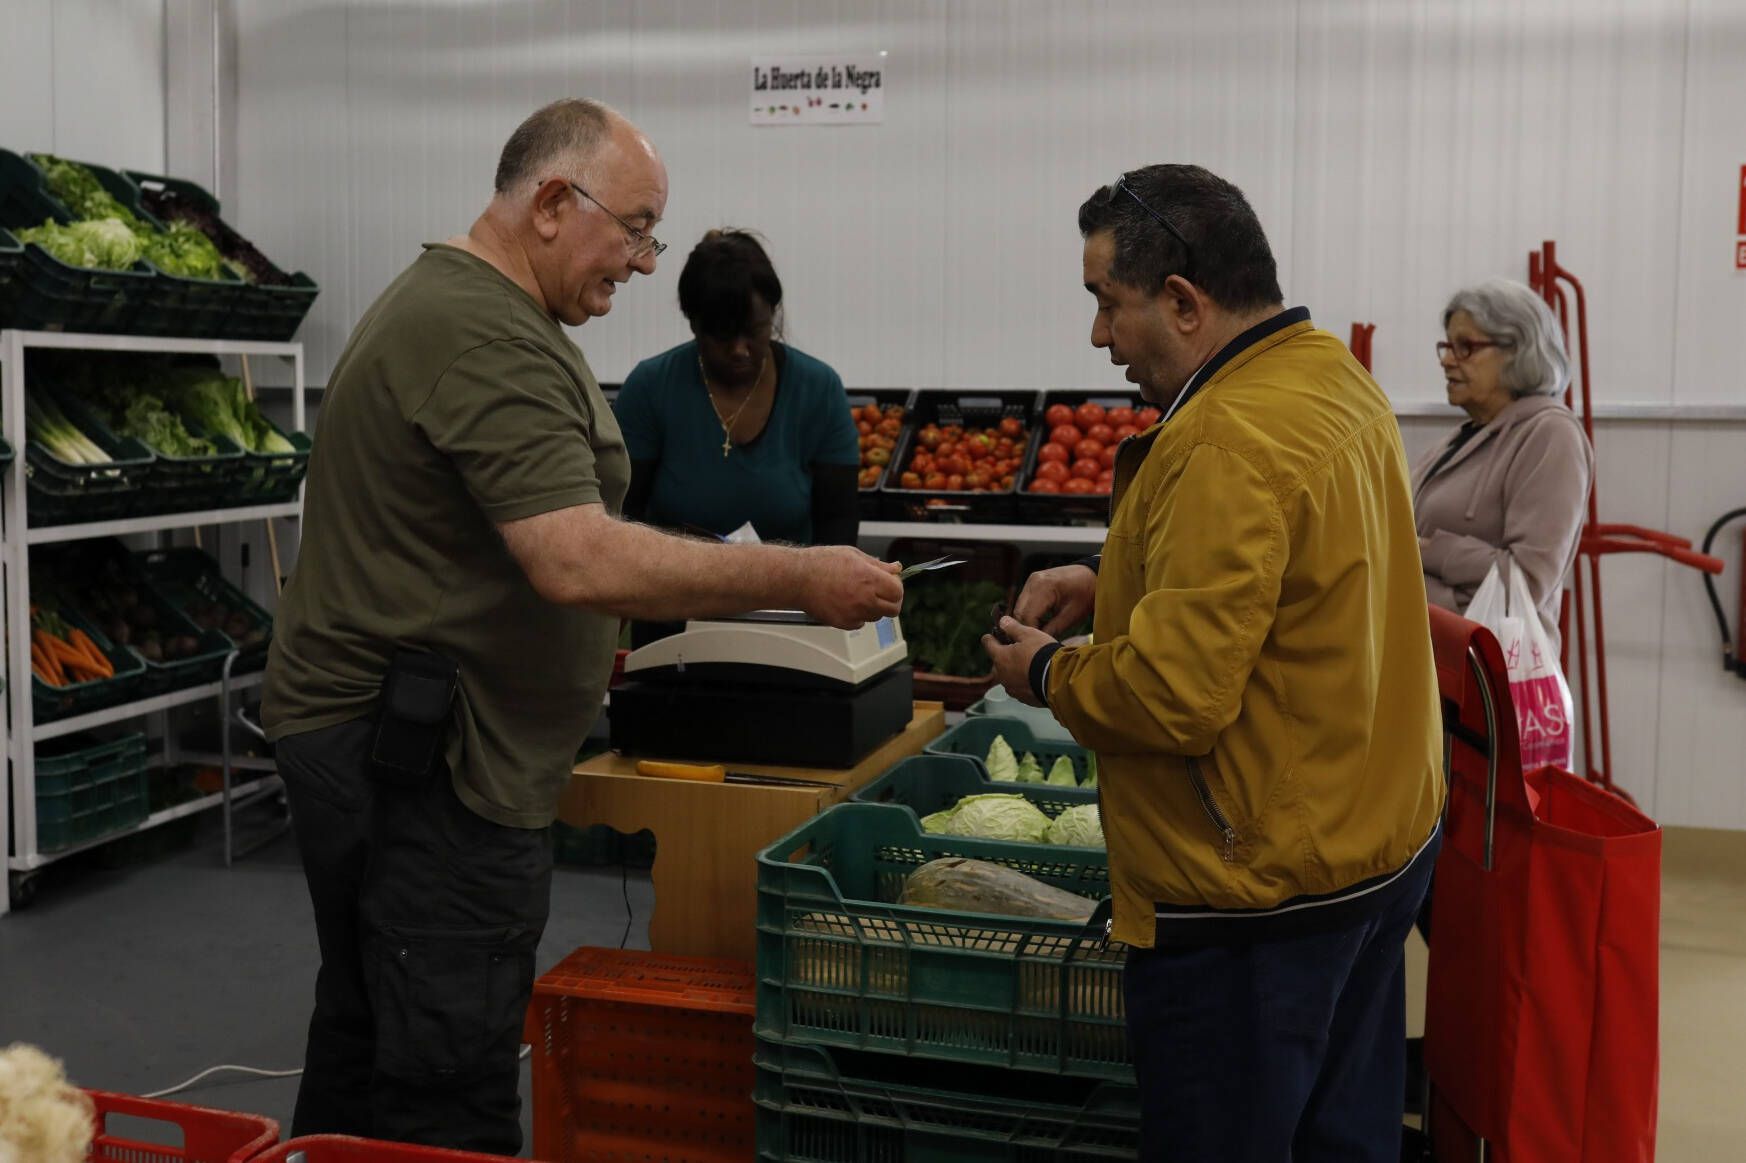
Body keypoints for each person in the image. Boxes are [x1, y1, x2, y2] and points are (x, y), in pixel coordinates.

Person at [261, 99, 902, 1154]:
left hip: (403, 742)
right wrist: (797, 573)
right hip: (423, 765)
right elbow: (576, 552)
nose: (648, 261)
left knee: (373, 1025)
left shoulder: (472, 308)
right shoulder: (481, 331)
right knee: (446, 1069)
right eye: (639, 228)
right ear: (556, 202)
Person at [983, 164, 1444, 1162]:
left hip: (1251, 900)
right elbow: (1291, 584)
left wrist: (1050, 672)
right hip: (1371, 854)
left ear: (1184, 302)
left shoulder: (1226, 435)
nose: (1099, 336)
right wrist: (1115, 581)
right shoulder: (1329, 377)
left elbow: (1171, 697)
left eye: (1107, 303)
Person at [615, 229, 860, 645]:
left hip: (790, 631)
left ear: (773, 315)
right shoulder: (651, 389)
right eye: (722, 336)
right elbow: (622, 517)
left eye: (755, 331)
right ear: (693, 324)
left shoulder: (817, 390)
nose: (741, 350)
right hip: (672, 629)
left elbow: (837, 530)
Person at [1413, 278, 1594, 652]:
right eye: (1447, 345)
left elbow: (1526, 583)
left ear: (1519, 351)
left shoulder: (1551, 435)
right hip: (1436, 660)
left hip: (1489, 675)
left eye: (1466, 347)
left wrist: (1427, 553)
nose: (1448, 359)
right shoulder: (1459, 439)